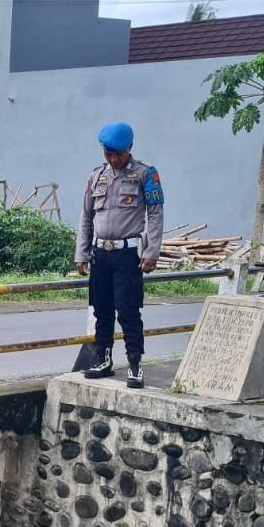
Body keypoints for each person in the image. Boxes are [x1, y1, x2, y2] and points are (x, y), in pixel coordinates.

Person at [75, 120, 164, 388]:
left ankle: (135, 365)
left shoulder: (146, 174)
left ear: (130, 149)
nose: (113, 159)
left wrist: (152, 252)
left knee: (128, 311)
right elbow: (86, 217)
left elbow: (156, 214)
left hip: (128, 255)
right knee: (102, 311)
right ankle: (103, 359)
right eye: (108, 154)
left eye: (118, 154)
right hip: (100, 254)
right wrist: (81, 252)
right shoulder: (96, 176)